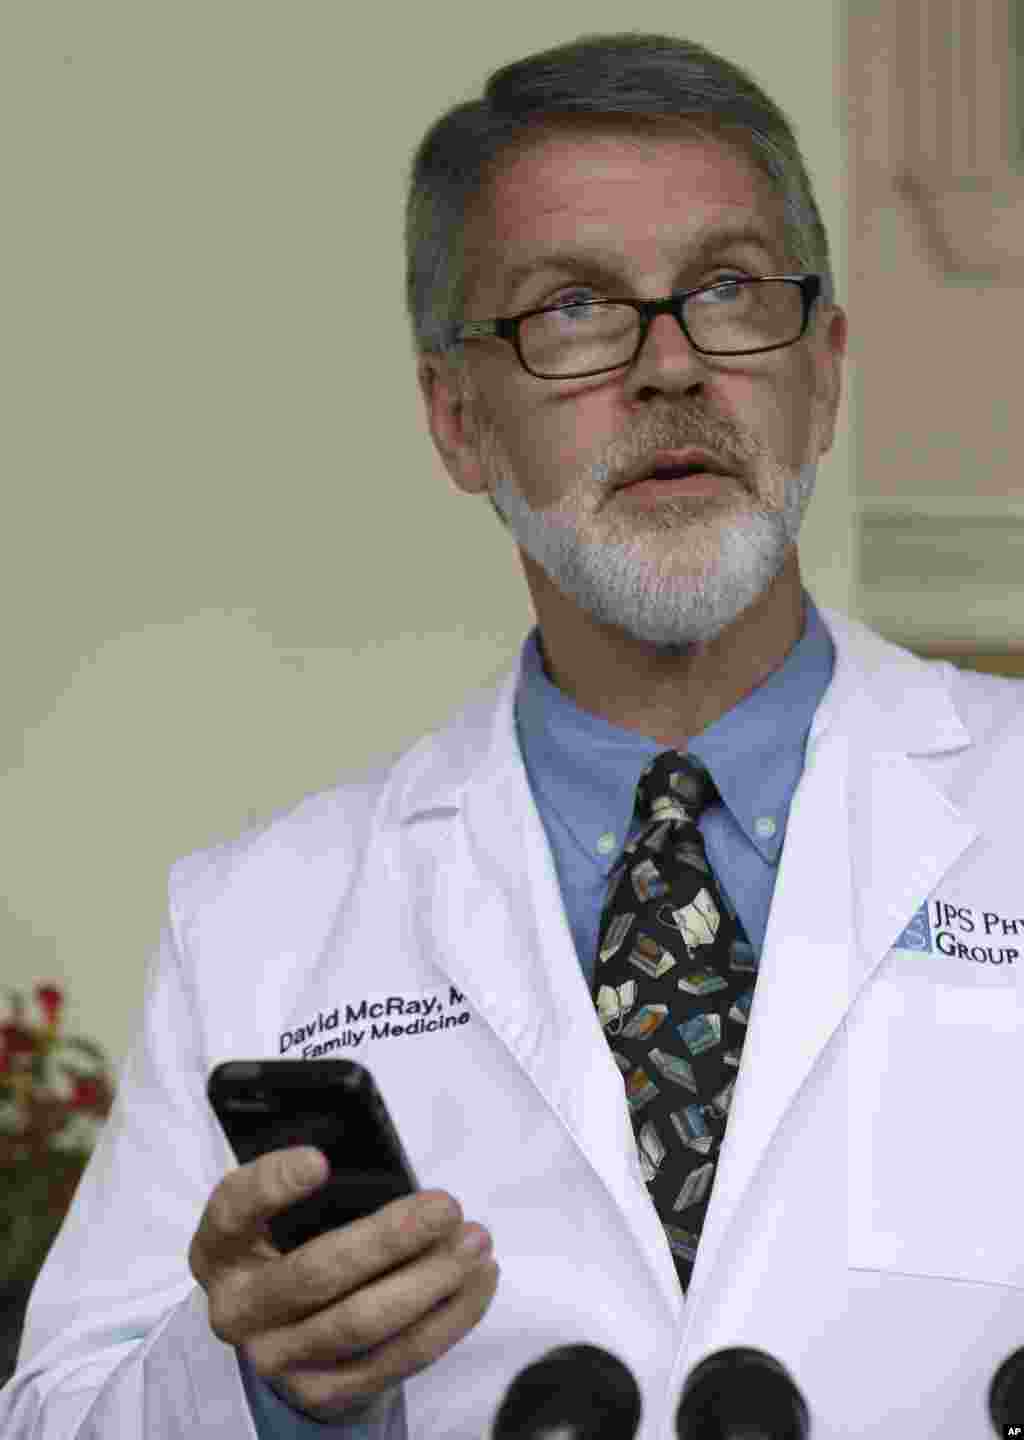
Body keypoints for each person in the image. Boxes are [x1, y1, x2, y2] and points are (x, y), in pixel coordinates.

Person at [3, 27, 1024, 1440]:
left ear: (827, 369)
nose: (669, 368)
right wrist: (254, 1380)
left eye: (727, 290)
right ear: (457, 419)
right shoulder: (259, 919)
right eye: (574, 310)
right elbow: (58, 1419)